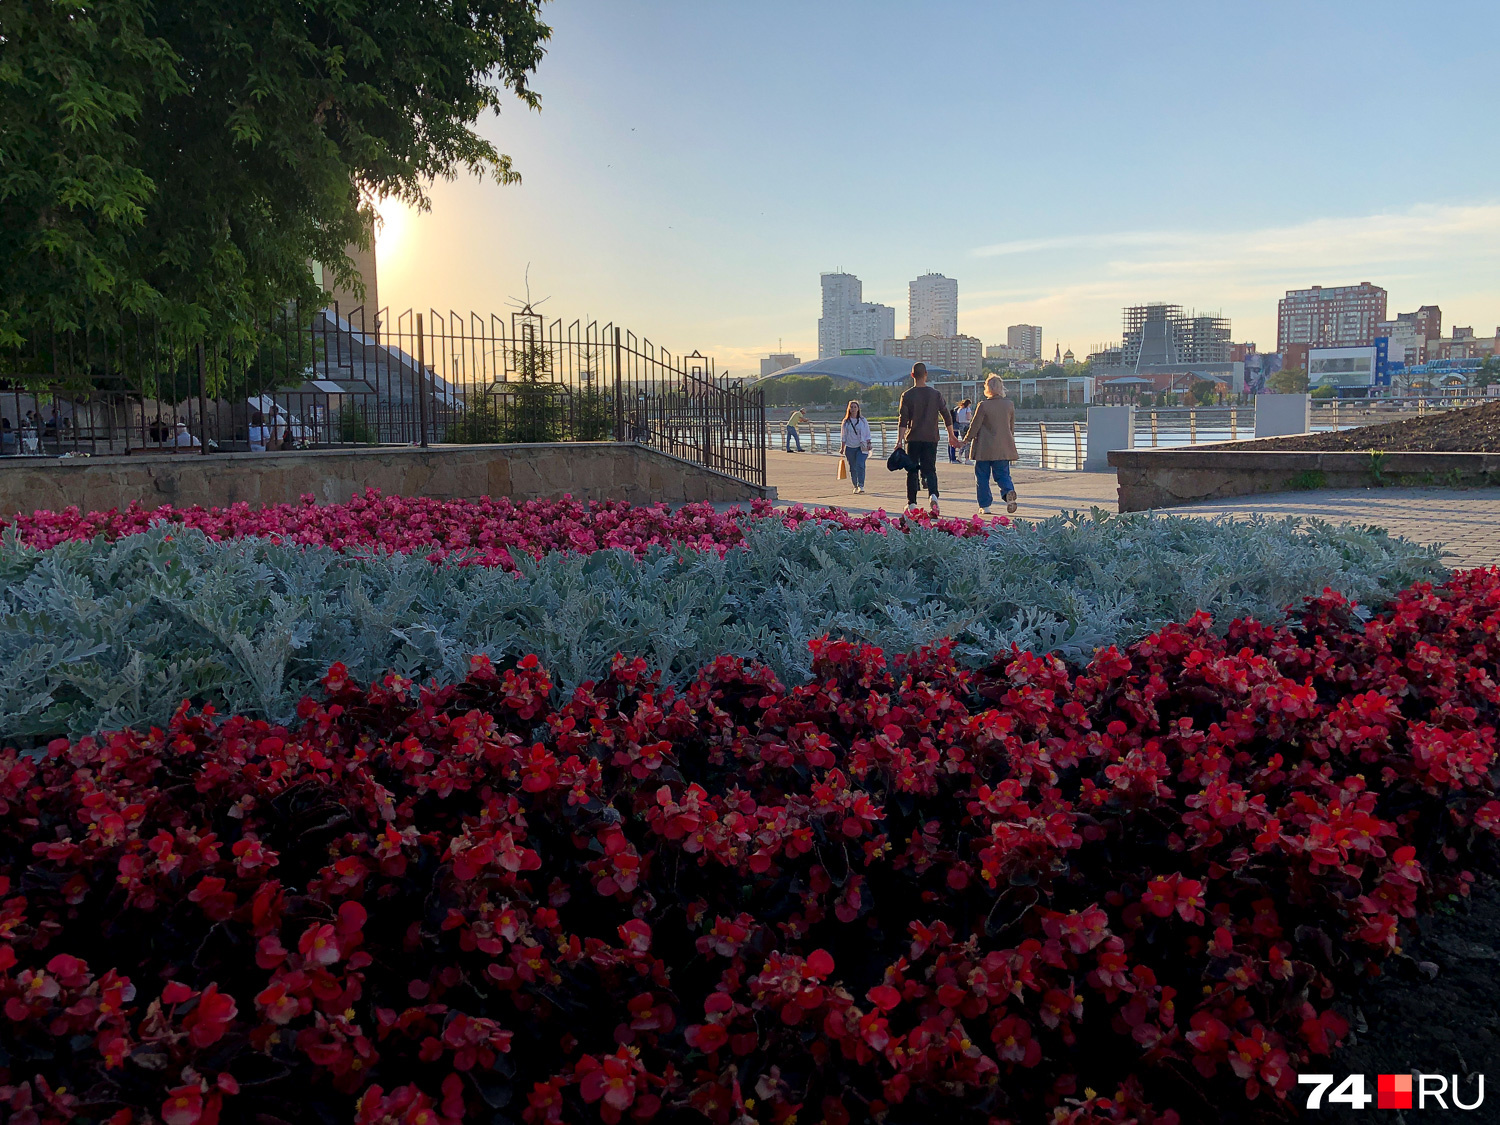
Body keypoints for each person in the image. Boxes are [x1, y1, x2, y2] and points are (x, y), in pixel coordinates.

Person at [896, 362, 957, 515]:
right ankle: (933, 495)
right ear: (926, 375)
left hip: (913, 438)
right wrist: (951, 435)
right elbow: (946, 415)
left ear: (912, 375)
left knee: (912, 470)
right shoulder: (935, 394)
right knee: (930, 469)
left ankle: (912, 504)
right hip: (931, 438)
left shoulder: (907, 395)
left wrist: (899, 441)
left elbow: (903, 420)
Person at [960, 374, 1020, 515]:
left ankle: (985, 506)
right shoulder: (1009, 405)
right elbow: (1011, 427)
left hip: (984, 449)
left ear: (987, 388)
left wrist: (966, 440)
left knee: (982, 477)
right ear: (1001, 388)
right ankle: (1008, 492)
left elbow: (975, 426)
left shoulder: (983, 405)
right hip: (1003, 447)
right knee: (1003, 474)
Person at [838, 400, 872, 494]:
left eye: (855, 407)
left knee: (860, 464)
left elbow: (867, 433)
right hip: (850, 447)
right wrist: (842, 447)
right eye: (851, 407)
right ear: (849, 409)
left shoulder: (862, 420)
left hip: (862, 446)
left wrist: (869, 443)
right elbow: (843, 436)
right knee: (853, 467)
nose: (853, 409)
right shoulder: (846, 422)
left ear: (858, 409)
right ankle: (855, 486)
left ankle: (861, 485)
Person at [950, 398, 973, 463]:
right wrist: (971, 417)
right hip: (966, 425)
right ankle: (967, 458)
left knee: (963, 441)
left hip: (960, 426)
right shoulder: (967, 409)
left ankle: (959, 456)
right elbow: (968, 417)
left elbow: (957, 419)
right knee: (968, 442)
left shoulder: (959, 409)